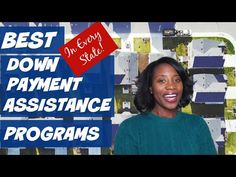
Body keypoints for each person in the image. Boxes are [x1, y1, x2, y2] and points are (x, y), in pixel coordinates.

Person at [114, 57, 217, 155]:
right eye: (162, 81)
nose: (171, 86)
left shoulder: (197, 125)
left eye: (177, 80)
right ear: (150, 88)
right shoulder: (130, 129)